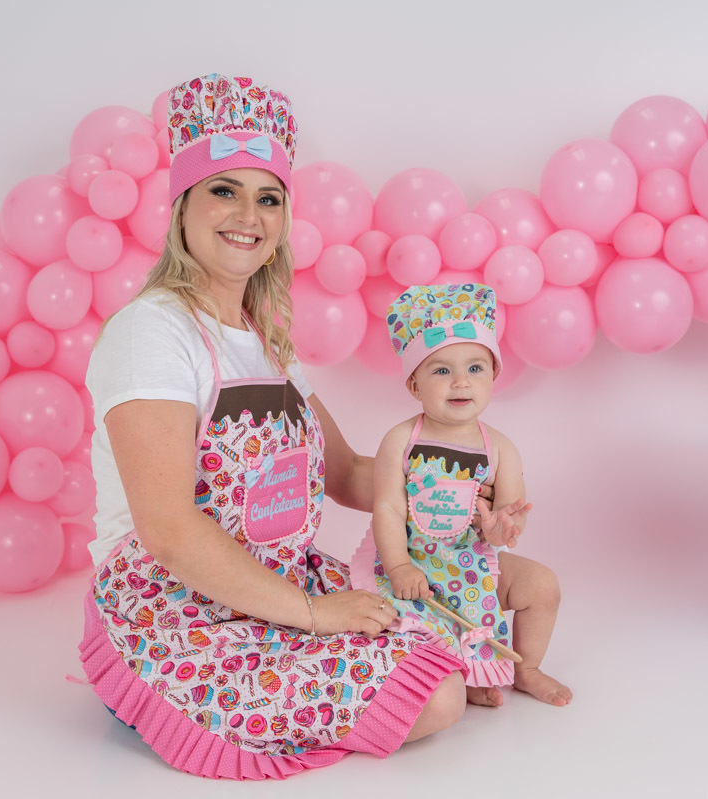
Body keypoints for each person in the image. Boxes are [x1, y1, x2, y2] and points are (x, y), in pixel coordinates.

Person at [78, 73, 467, 781]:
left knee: (452, 649)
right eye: (224, 190)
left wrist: (460, 474)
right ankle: (165, 703)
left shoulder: (263, 342)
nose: (248, 215)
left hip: (275, 584)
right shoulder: (152, 333)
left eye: (269, 197)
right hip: (175, 609)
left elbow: (349, 474)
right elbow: (167, 531)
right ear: (183, 205)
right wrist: (314, 615)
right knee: (436, 697)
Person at [350, 284, 571, 707]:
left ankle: (526, 668)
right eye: (440, 371)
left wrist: (502, 528)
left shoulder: (499, 448)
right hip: (415, 566)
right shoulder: (400, 440)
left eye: (475, 368)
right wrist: (398, 566)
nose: (460, 382)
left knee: (542, 586)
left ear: (493, 377)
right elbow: (388, 507)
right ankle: (463, 675)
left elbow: (510, 509)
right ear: (414, 385)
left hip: (472, 565)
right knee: (410, 639)